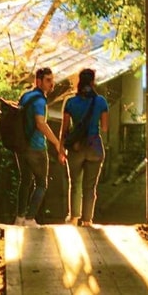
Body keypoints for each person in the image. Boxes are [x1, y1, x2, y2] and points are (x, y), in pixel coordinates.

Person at [14, 67, 67, 227]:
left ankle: (19, 217)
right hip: (36, 147)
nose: (52, 84)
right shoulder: (40, 101)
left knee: (25, 181)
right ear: (38, 81)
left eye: (52, 80)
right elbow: (40, 123)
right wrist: (57, 143)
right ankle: (30, 218)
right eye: (48, 80)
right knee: (42, 184)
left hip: (21, 146)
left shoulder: (25, 97)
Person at [60, 68, 109, 227]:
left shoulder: (70, 102)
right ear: (93, 82)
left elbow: (65, 128)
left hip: (76, 147)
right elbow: (105, 127)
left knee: (75, 184)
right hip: (94, 146)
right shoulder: (100, 101)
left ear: (79, 82)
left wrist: (61, 148)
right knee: (90, 186)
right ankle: (87, 221)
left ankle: (74, 218)